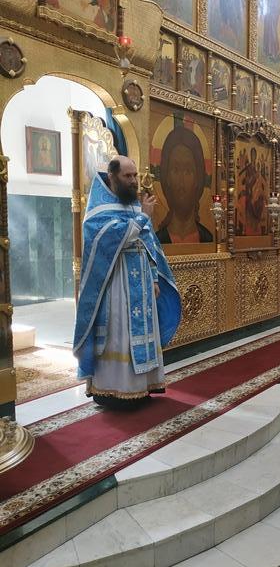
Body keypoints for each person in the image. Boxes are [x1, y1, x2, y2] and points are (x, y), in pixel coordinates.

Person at [73, 156, 181, 408]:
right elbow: (115, 239)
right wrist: (143, 217)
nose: (133, 181)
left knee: (142, 333)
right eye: (127, 176)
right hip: (115, 286)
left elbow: (148, 244)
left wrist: (154, 278)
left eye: (135, 176)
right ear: (112, 177)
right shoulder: (99, 210)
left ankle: (142, 387)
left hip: (142, 285)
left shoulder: (134, 206)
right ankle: (114, 390)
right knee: (119, 335)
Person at [156, 127, 213, 244]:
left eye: (188, 171)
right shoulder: (157, 240)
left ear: (198, 179)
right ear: (167, 178)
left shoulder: (207, 239)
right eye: (175, 170)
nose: (181, 181)